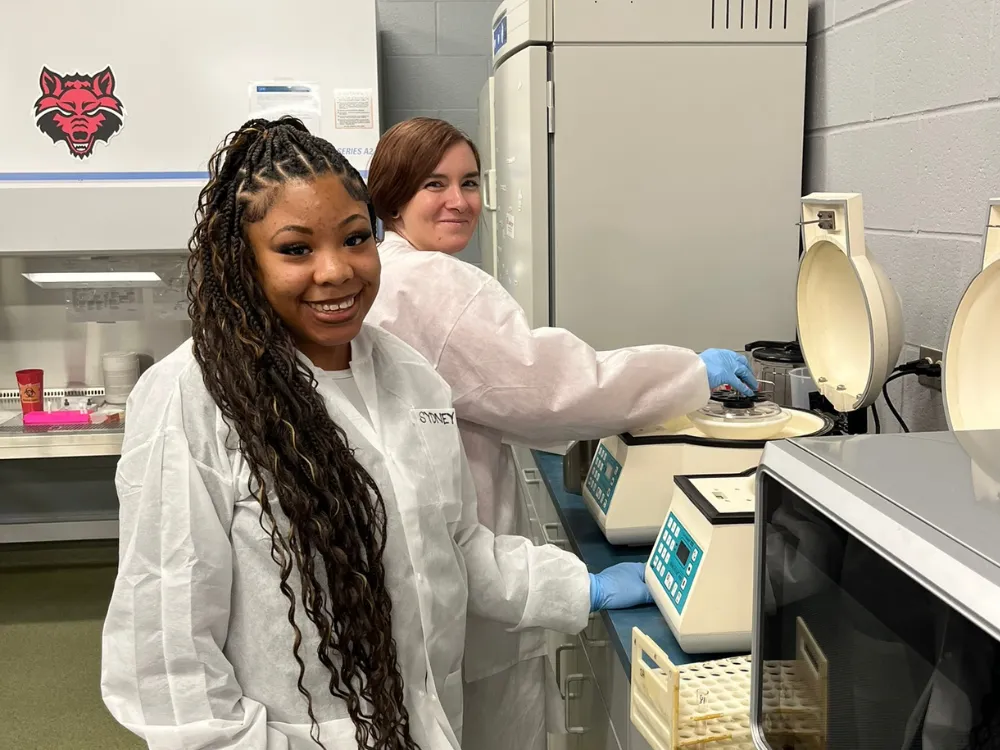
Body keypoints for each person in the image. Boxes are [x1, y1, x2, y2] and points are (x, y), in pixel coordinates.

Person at [99, 117, 650, 750]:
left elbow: (454, 545)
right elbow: (170, 656)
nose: (336, 271)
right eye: (296, 249)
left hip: (422, 722)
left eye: (355, 239)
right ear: (243, 262)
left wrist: (581, 586)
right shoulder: (191, 396)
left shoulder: (409, 377)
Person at [364, 117, 759, 750]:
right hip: (469, 596)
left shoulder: (386, 275)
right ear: (392, 196)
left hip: (434, 581)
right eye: (434, 184)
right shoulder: (434, 284)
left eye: (470, 182)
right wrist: (693, 374)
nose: (459, 201)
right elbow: (553, 387)